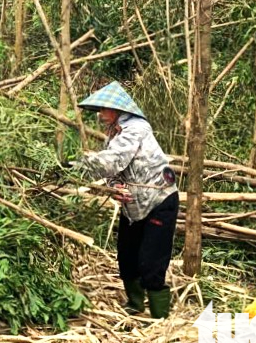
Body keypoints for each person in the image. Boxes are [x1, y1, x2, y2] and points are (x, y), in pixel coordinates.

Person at [69, 80, 178, 319]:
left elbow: (114, 160)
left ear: (117, 110)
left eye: (103, 109)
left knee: (151, 261)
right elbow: (115, 174)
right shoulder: (113, 135)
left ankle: (160, 317)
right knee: (127, 257)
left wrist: (77, 166)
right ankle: (135, 305)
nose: (99, 114)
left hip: (158, 201)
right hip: (133, 205)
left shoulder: (136, 128)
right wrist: (115, 187)